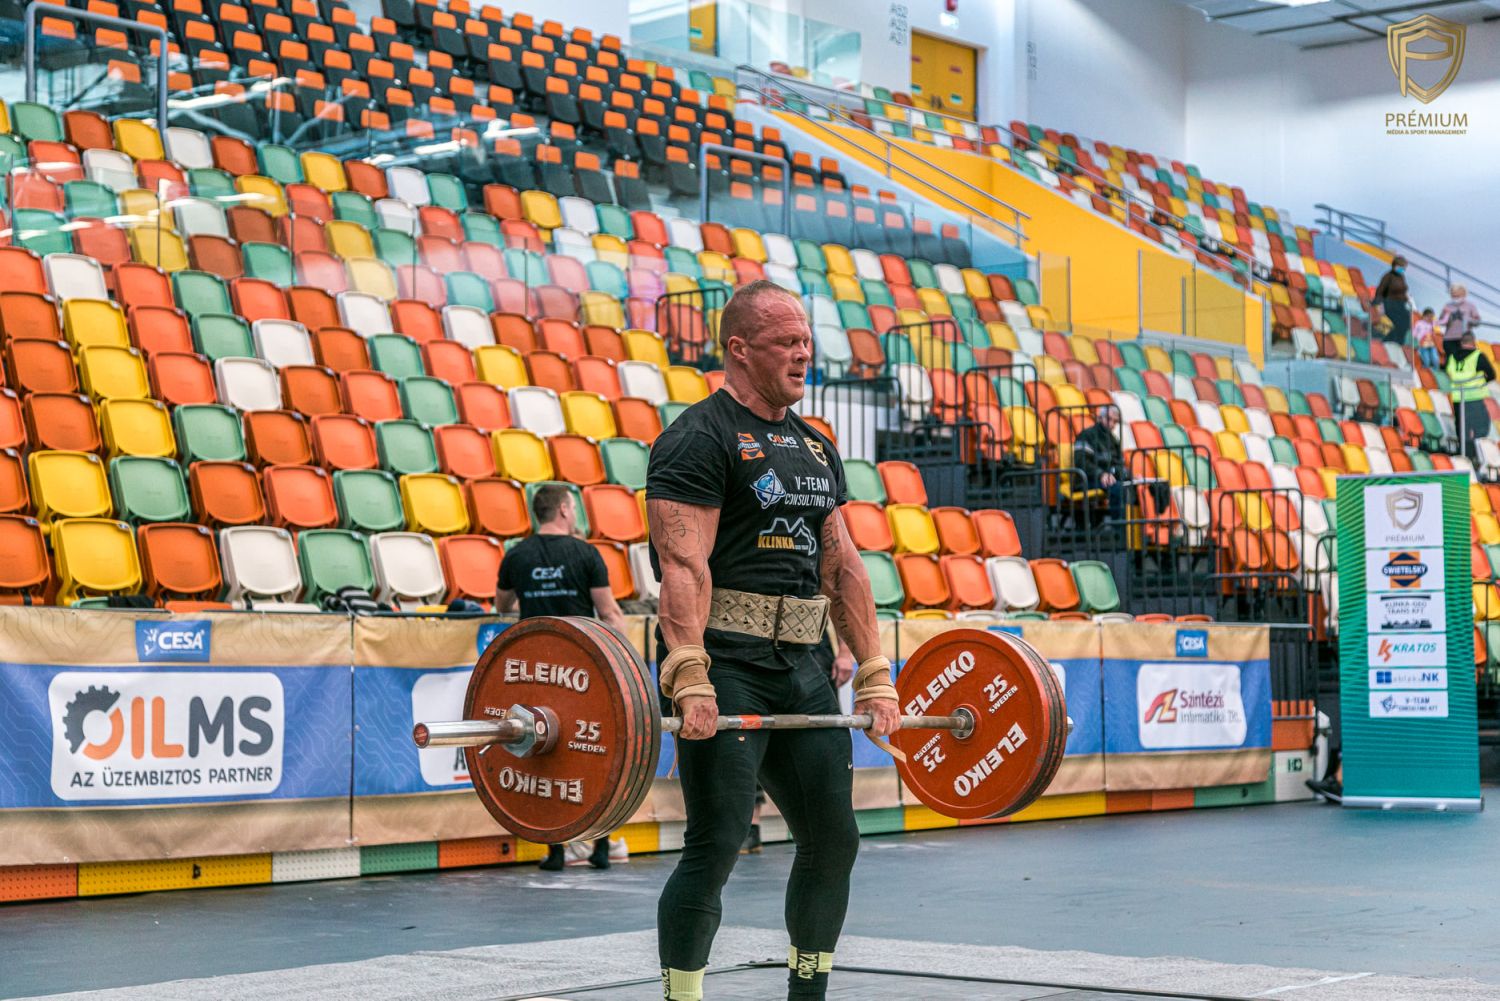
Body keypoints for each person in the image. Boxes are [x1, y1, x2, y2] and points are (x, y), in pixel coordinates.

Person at [645, 280, 900, 1001]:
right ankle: (682, 997)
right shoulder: (698, 437)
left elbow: (842, 567)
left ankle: (806, 993)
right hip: (726, 663)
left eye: (806, 342)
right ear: (739, 349)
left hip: (803, 665)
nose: (802, 354)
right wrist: (689, 673)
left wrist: (875, 672)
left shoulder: (815, 446)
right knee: (719, 839)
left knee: (834, 838)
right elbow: (684, 565)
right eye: (786, 342)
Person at [496, 483, 630, 872]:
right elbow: (610, 613)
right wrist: (625, 661)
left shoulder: (516, 555)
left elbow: (502, 605)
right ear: (565, 511)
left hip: (535, 666)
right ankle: (600, 847)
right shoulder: (586, 553)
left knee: (542, 750)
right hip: (580, 665)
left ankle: (555, 851)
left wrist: (534, 598)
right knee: (595, 749)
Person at [742, 632, 854, 855]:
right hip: (753, 647)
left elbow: (843, 608)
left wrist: (845, 652)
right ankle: (751, 825)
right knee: (750, 735)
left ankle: (830, 823)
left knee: (825, 743)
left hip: (811, 648)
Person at [1443, 330, 1495, 463]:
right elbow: (1492, 374)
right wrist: (1482, 382)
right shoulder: (1478, 356)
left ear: (1461, 343)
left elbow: (1447, 373)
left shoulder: (1452, 358)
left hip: (1458, 399)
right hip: (1475, 398)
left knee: (1462, 430)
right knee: (1481, 430)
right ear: (1473, 342)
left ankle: (1465, 458)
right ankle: (1478, 459)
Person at [1072, 407, 1126, 520]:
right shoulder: (1087, 435)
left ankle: (1139, 528)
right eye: (1109, 419)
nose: (1112, 424)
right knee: (1119, 489)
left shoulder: (1113, 439)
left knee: (1135, 487)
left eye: (1115, 421)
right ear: (1100, 418)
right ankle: (1119, 529)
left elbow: (1118, 463)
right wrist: (1101, 474)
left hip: (1108, 480)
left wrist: (1128, 475)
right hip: (1087, 480)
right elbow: (1081, 462)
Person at [1374, 256, 1411, 346]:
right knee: (1398, 324)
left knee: (1407, 323)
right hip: (1390, 304)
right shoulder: (1388, 276)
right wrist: (1379, 304)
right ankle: (1387, 341)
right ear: (1395, 265)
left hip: (1401, 304)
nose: (1403, 269)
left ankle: (1398, 342)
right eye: (1401, 267)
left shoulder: (1401, 277)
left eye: (1404, 267)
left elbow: (1403, 290)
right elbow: (1380, 290)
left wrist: (1407, 299)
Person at [1437, 284, 1482, 359]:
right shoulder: (1447, 305)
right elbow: (1441, 321)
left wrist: (1469, 319)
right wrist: (1444, 314)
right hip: (1449, 339)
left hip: (1465, 339)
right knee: (1451, 361)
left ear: (1464, 294)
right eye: (1453, 296)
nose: (1455, 298)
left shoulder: (1471, 306)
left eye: (1457, 296)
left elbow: (1477, 322)